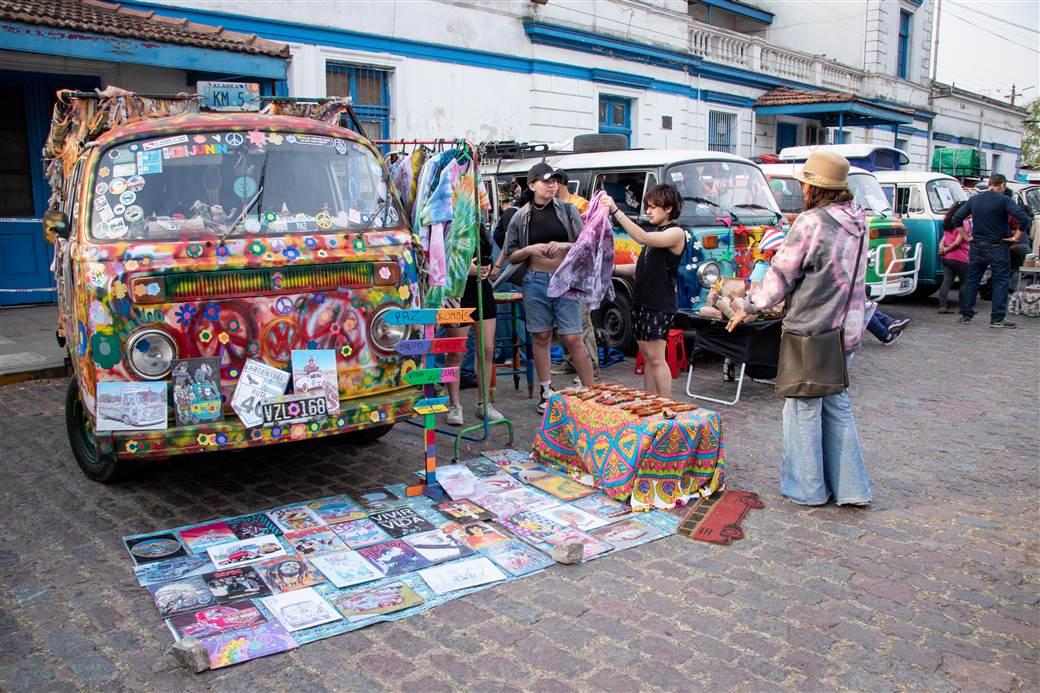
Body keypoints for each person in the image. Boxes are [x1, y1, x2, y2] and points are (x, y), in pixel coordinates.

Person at [726, 150, 872, 507]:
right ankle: (851, 488)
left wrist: (749, 305)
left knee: (803, 408)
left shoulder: (811, 222)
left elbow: (780, 276)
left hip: (813, 328)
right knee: (837, 403)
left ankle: (806, 489)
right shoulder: (859, 219)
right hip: (848, 327)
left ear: (813, 188)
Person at [502, 162, 595, 413]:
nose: (552, 185)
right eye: (546, 181)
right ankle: (546, 391)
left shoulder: (567, 210)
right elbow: (511, 255)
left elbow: (586, 243)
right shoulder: (520, 216)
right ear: (532, 185)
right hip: (535, 281)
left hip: (564, 281)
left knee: (573, 337)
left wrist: (564, 246)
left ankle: (592, 393)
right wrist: (530, 249)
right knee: (541, 336)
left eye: (555, 181)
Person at [600, 184, 686, 397]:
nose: (647, 211)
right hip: (641, 301)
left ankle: (666, 405)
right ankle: (649, 400)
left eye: (652, 207)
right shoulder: (656, 233)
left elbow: (642, 238)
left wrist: (615, 210)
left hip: (659, 304)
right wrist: (608, 269)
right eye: (647, 206)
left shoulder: (675, 233)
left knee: (657, 358)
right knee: (647, 357)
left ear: (668, 208)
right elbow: (639, 267)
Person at [951, 173, 1032, 328]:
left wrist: (966, 237)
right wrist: (1016, 237)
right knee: (1000, 281)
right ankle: (997, 318)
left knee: (972, 280)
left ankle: (966, 314)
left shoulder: (974, 200)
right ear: (1002, 185)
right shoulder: (1004, 200)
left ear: (990, 184)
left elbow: (956, 218)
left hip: (977, 245)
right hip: (997, 246)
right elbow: (1024, 218)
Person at [444, 224, 503, 426]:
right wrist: (465, 269)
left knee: (487, 349)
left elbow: (487, 257)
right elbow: (438, 261)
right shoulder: (446, 224)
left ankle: (484, 403)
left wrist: (485, 268)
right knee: (455, 351)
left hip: (482, 290)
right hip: (457, 292)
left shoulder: (478, 225)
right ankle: (454, 404)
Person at [551, 169, 597, 381]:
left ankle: (591, 365)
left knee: (582, 321)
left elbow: (590, 239)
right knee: (565, 323)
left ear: (559, 183)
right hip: (559, 273)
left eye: (551, 182)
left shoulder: (581, 205)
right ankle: (570, 362)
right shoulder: (552, 207)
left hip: (579, 272)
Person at [937, 200, 972, 314]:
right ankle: (963, 308)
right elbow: (958, 242)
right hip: (961, 257)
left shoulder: (948, 221)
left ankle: (942, 306)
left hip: (947, 258)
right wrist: (947, 249)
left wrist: (942, 249)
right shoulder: (964, 223)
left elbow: (943, 238)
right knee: (965, 283)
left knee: (946, 281)